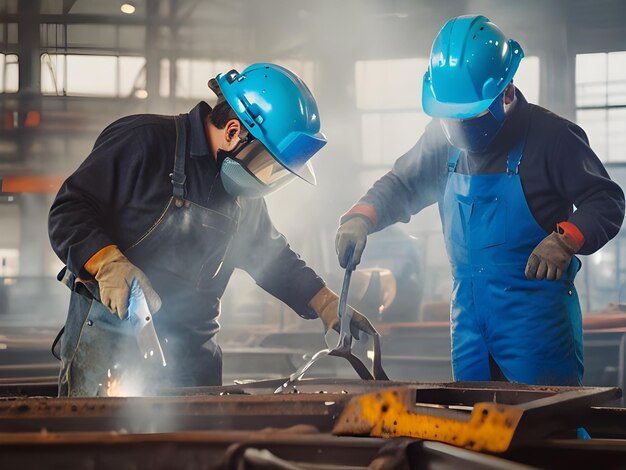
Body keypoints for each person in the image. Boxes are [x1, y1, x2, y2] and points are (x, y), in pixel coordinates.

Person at [49, 63, 376, 397]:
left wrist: (324, 303)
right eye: (266, 165)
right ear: (234, 131)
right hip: (111, 348)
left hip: (192, 360)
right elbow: (69, 211)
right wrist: (107, 264)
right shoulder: (143, 142)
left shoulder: (242, 194)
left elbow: (271, 258)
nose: (265, 180)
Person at [335, 16, 625, 386]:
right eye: (449, 118)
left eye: (468, 117)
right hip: (469, 325)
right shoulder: (441, 140)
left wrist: (567, 237)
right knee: (473, 431)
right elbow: (403, 184)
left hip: (534, 326)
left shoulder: (552, 137)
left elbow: (606, 199)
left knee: (548, 428)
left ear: (506, 93)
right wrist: (362, 217)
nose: (457, 130)